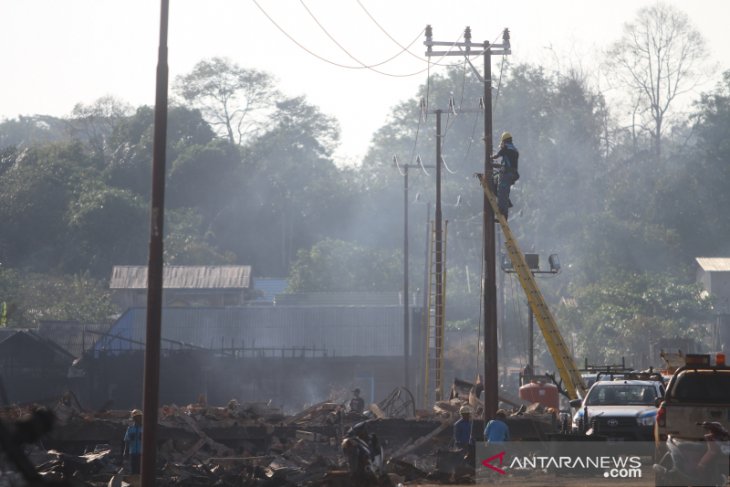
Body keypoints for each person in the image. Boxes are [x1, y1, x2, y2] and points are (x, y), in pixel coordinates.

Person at [490, 131, 520, 219]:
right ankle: (506, 209)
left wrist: (489, 158)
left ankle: (502, 212)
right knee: (503, 191)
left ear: (504, 141)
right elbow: (508, 164)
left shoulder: (506, 149)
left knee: (501, 192)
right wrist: (497, 165)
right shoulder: (514, 149)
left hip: (506, 174)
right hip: (512, 174)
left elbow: (496, 156)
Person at [123, 409, 143, 474]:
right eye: (138, 417)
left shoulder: (144, 429)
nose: (140, 419)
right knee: (133, 470)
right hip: (132, 453)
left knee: (141, 470)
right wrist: (125, 452)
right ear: (134, 418)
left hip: (142, 453)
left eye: (140, 417)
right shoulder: (130, 429)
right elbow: (127, 441)